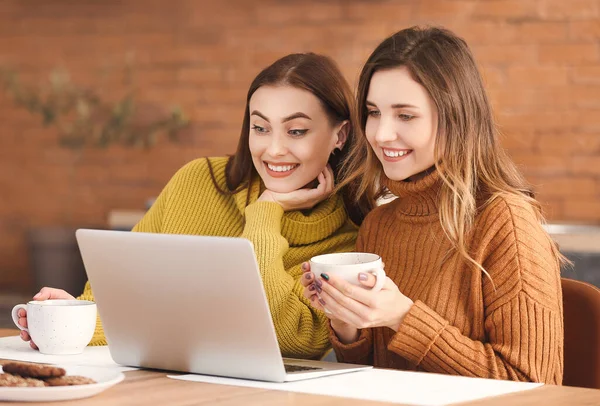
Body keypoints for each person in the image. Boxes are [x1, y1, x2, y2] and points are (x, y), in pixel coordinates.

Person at [18, 52, 367, 360]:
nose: (273, 150)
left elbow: (296, 342)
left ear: (340, 135)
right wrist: (73, 319)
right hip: (159, 378)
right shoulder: (199, 181)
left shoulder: (348, 244)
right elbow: (123, 288)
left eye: (296, 131)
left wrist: (266, 211)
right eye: (260, 127)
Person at [302, 26, 566, 383]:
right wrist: (346, 320)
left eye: (405, 115)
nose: (380, 134)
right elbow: (370, 374)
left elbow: (536, 386)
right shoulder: (379, 225)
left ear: (455, 118)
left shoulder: (507, 222)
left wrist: (404, 317)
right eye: (374, 112)